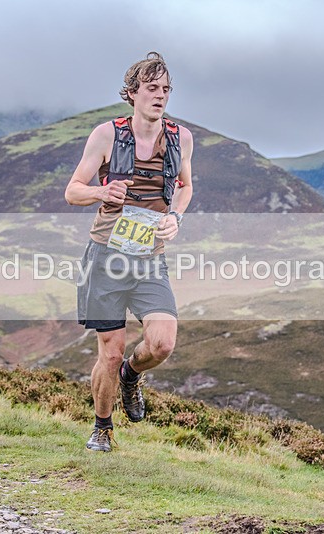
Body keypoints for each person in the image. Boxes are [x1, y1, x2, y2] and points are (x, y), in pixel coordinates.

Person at [64, 51, 194, 452]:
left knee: (162, 344)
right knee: (110, 349)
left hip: (149, 259)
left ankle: (131, 375)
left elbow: (186, 186)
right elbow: (72, 191)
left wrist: (175, 215)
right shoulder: (107, 135)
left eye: (166, 90)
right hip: (106, 257)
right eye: (152, 88)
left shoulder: (181, 139)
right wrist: (102, 191)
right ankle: (102, 428)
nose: (160, 96)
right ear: (133, 93)